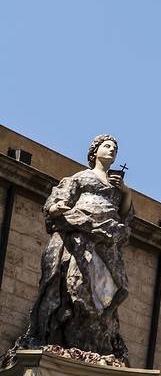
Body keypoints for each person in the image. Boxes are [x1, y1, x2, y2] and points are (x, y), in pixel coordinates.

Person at [13, 134, 133, 362]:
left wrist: (126, 192)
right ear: (94, 151)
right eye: (107, 146)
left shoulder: (116, 186)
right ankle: (69, 338)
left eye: (115, 148)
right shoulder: (80, 178)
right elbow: (57, 202)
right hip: (80, 243)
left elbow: (124, 215)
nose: (112, 150)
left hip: (107, 246)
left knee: (105, 294)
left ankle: (95, 343)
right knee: (75, 287)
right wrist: (66, 211)